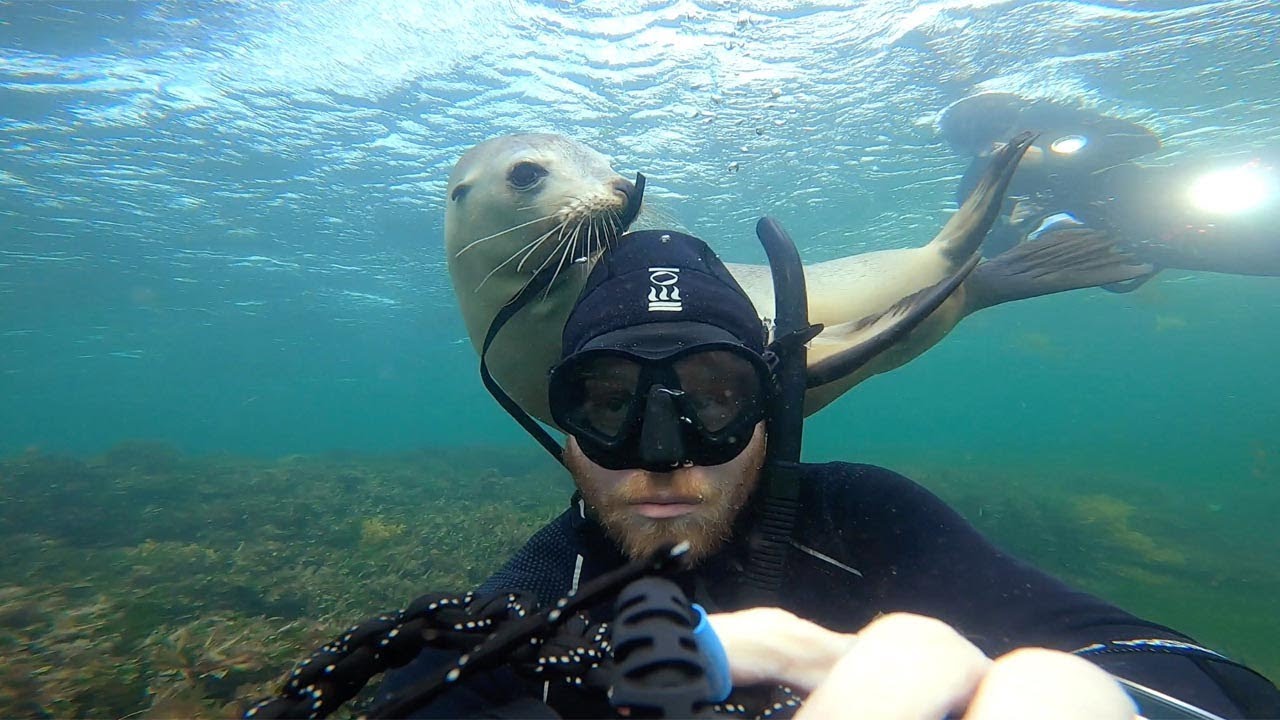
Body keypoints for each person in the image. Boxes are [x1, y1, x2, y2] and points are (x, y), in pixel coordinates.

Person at [380, 228, 1280, 718]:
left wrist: (1118, 702)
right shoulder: (548, 593)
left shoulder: (863, 518)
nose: (665, 452)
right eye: (611, 404)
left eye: (713, 396)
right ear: (562, 426)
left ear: (774, 409)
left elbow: (1205, 678)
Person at [941, 92, 1280, 286]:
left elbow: (1143, 140)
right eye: (978, 148)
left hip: (1165, 200)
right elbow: (989, 248)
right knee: (1262, 259)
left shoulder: (1055, 124)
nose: (992, 151)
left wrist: (1049, 157)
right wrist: (1015, 227)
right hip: (1126, 248)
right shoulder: (977, 186)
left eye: (995, 140)